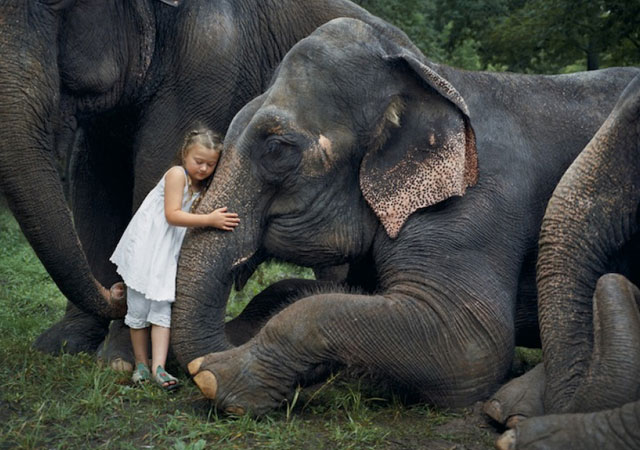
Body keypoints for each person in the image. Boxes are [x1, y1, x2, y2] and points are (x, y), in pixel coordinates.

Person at [110, 128, 240, 390]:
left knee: (161, 310)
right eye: (198, 161)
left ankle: (160, 368)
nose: (203, 168)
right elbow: (172, 215)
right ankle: (141, 365)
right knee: (138, 310)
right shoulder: (176, 174)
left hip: (166, 254)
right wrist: (210, 220)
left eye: (210, 164)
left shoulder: (199, 184)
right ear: (185, 155)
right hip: (148, 249)